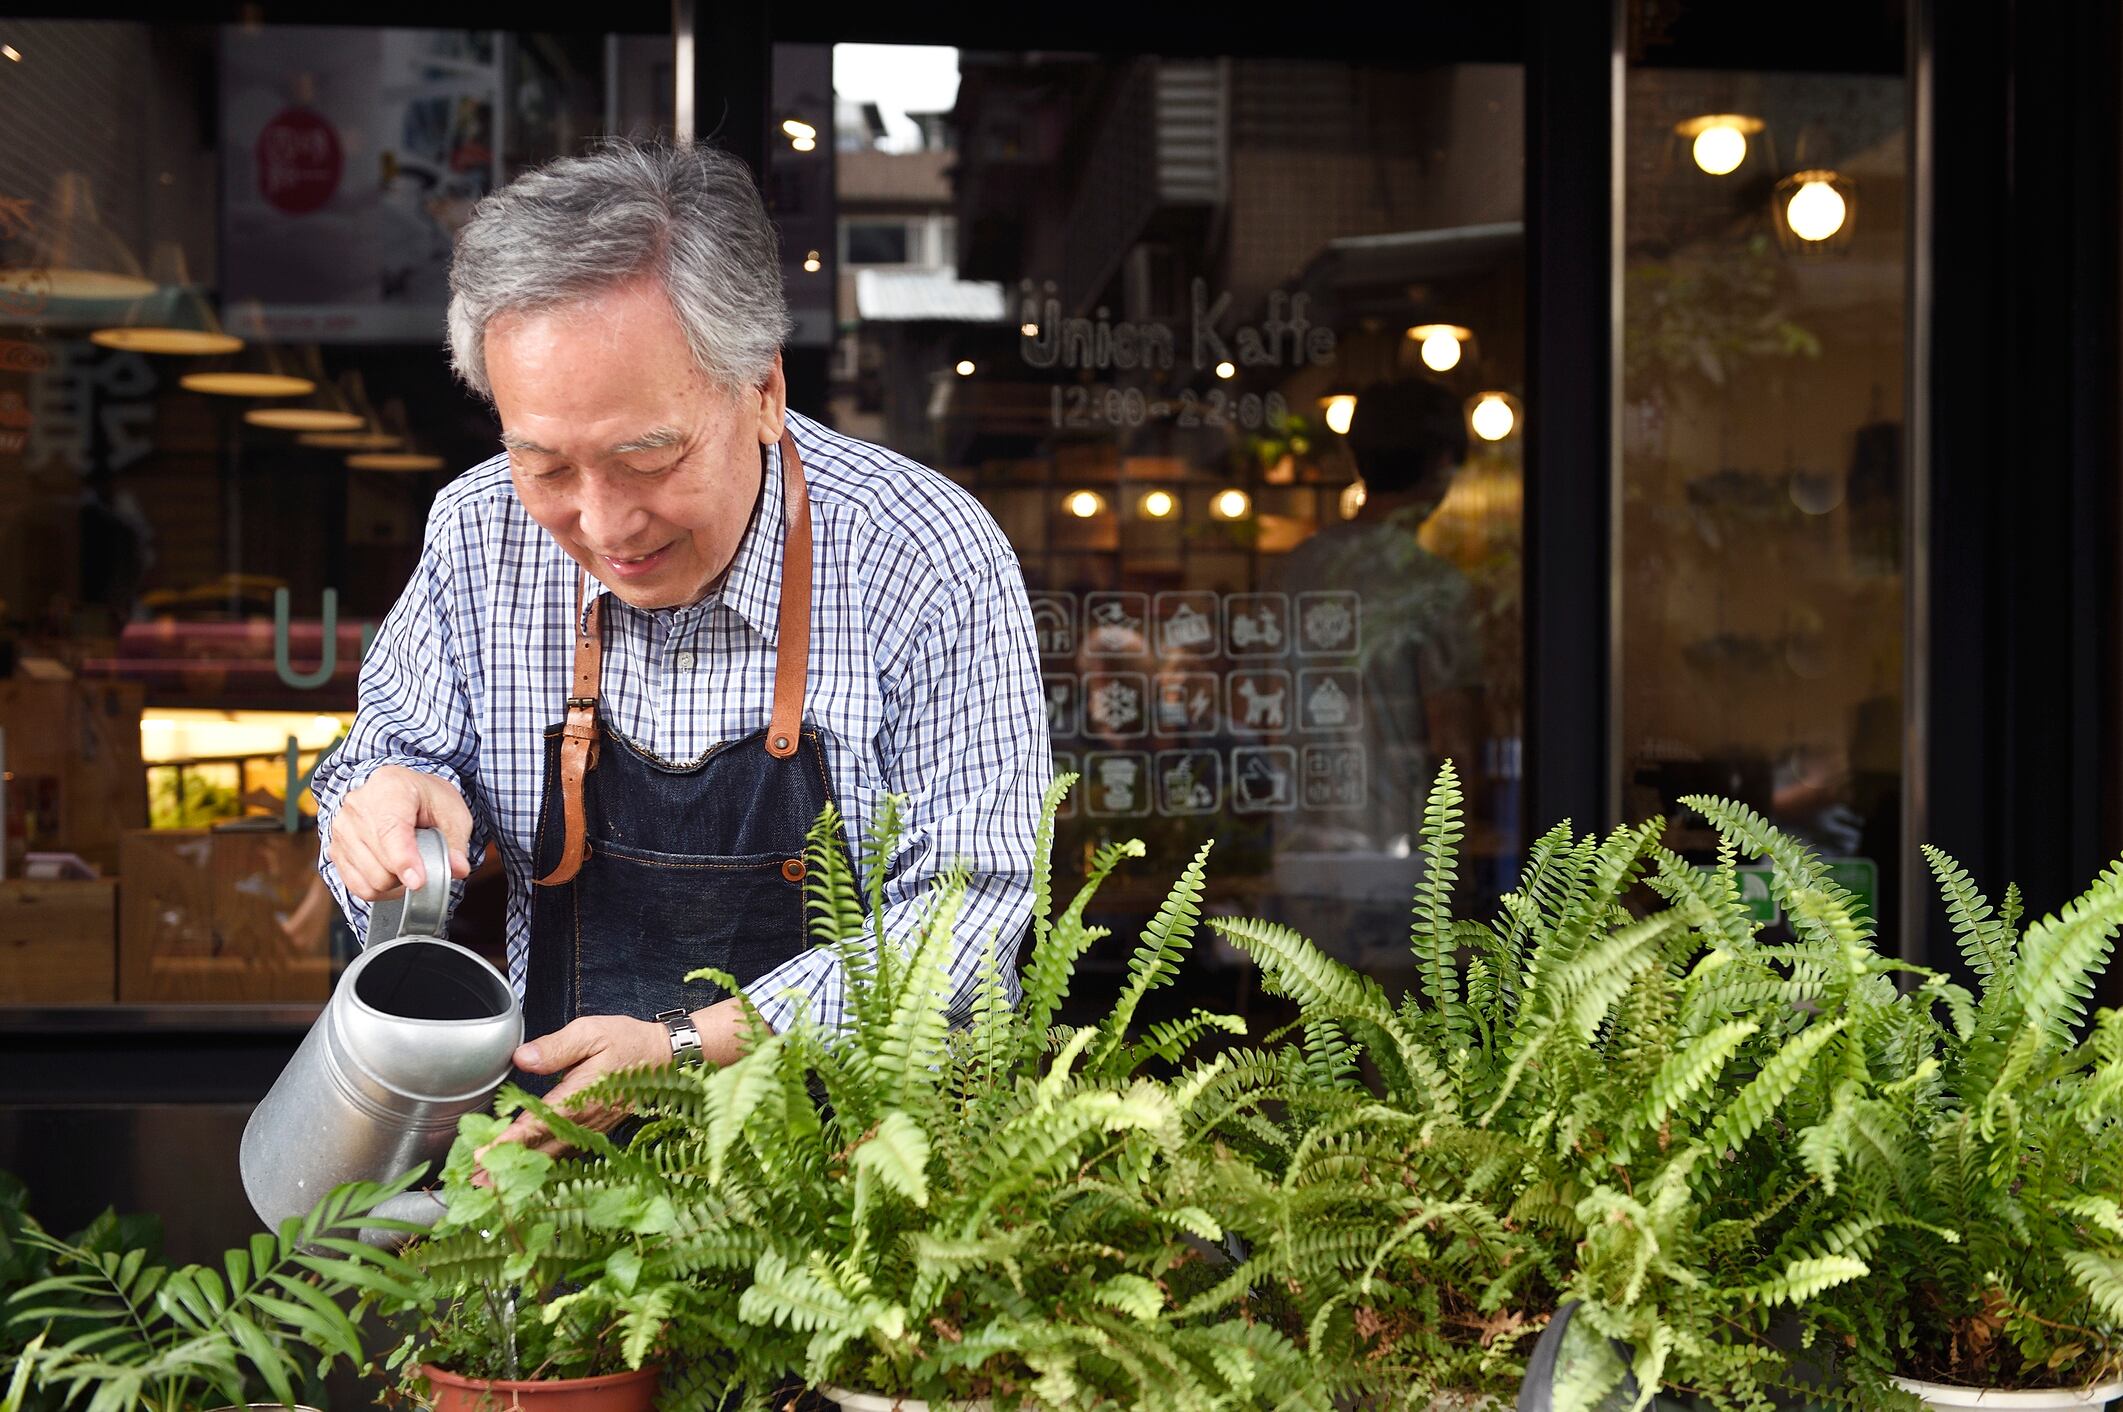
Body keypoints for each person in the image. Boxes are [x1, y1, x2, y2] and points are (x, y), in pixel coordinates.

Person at [312, 141, 1049, 1157]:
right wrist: (388, 813)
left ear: (763, 391)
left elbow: (973, 916)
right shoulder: (478, 531)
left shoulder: (922, 554)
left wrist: (687, 1047)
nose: (604, 523)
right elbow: (386, 760)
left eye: (646, 457)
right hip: (547, 1177)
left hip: (858, 1194)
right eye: (545, 465)